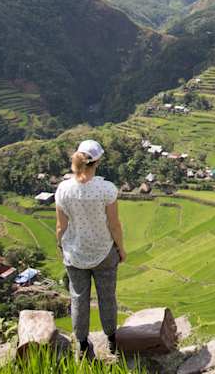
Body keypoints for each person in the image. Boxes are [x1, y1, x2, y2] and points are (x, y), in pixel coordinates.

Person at [55, 139, 126, 356]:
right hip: (103, 251)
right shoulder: (106, 189)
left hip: (75, 253)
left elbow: (61, 226)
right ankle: (112, 340)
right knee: (107, 297)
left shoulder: (63, 190)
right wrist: (121, 249)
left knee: (78, 298)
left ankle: (83, 345)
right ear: (97, 162)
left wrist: (61, 246)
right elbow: (114, 225)